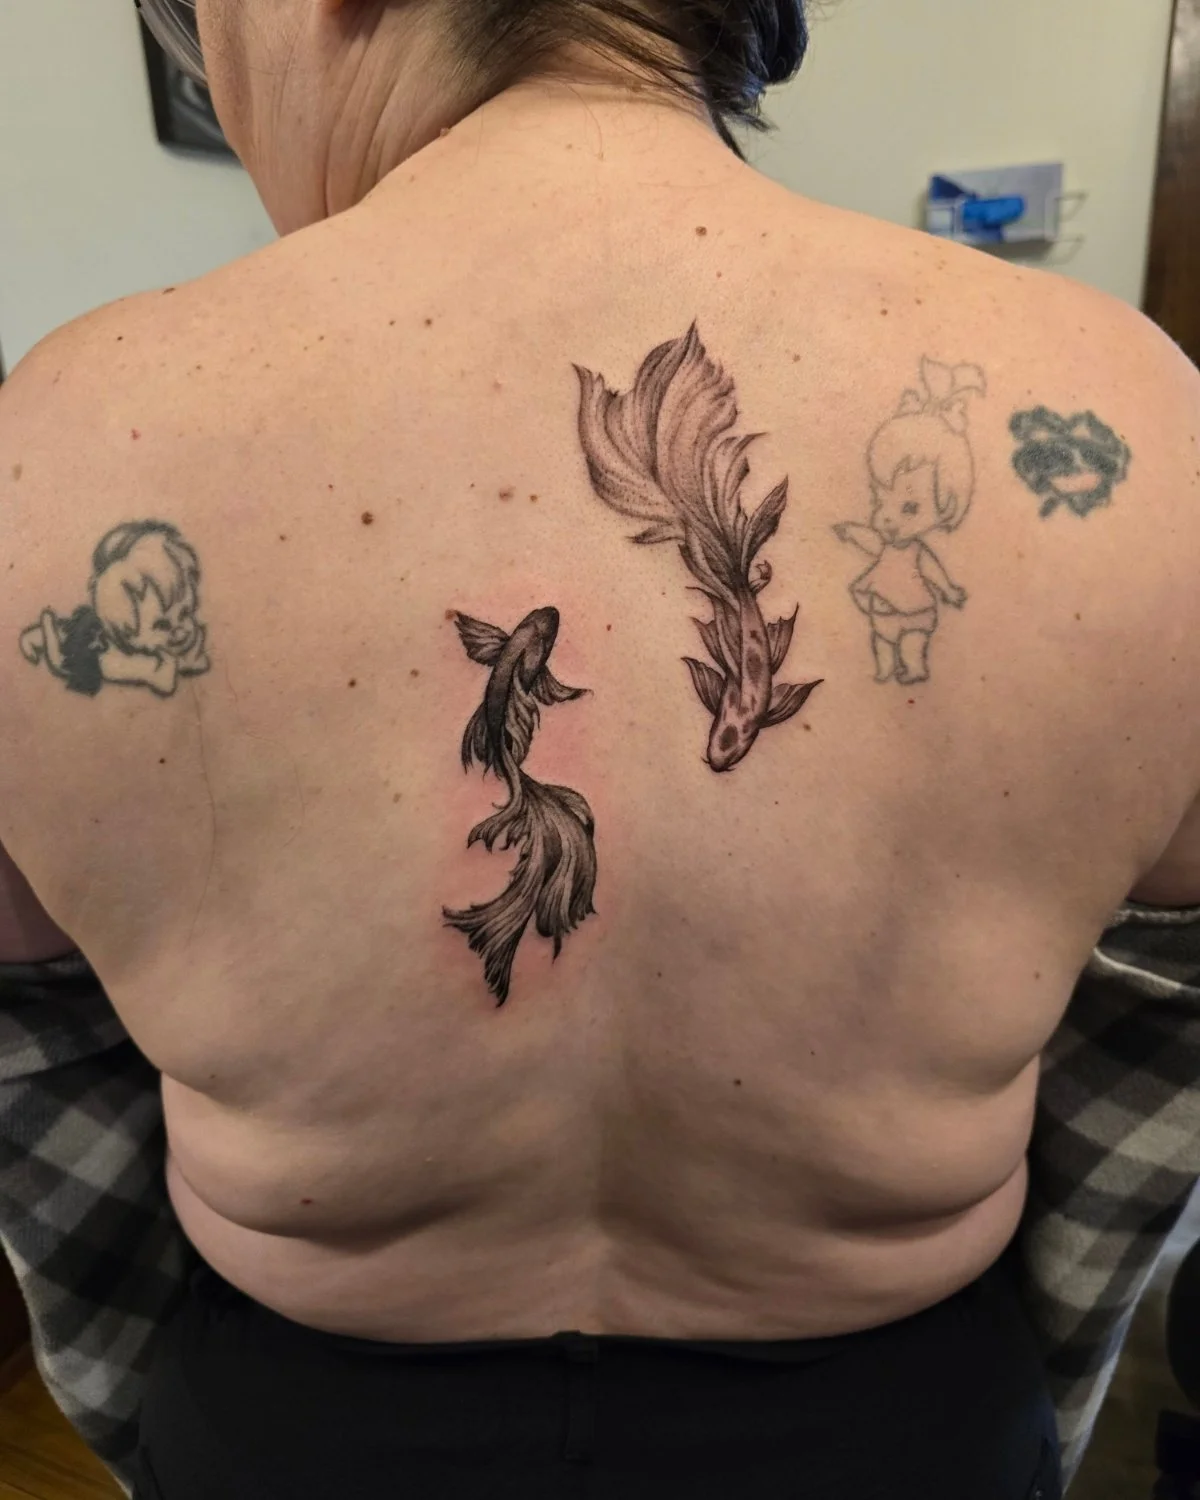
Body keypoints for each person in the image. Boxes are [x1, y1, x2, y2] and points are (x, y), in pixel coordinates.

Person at [0, 1, 1196, 1495]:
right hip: (898, 1429)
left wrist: (159, 1436)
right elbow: (1138, 1120)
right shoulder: (1143, 431)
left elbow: (54, 1134)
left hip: (304, 1432)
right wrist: (1024, 1422)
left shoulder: (46, 461)